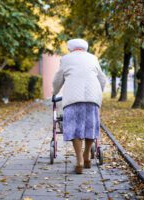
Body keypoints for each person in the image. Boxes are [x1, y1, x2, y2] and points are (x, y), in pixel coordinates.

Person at [52, 38, 106, 174]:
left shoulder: (66, 59)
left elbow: (58, 79)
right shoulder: (93, 58)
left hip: (73, 99)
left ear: (70, 48)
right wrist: (99, 92)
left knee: (76, 129)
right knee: (90, 126)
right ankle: (87, 155)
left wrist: (54, 92)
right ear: (85, 48)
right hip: (92, 98)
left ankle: (79, 160)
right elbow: (102, 79)